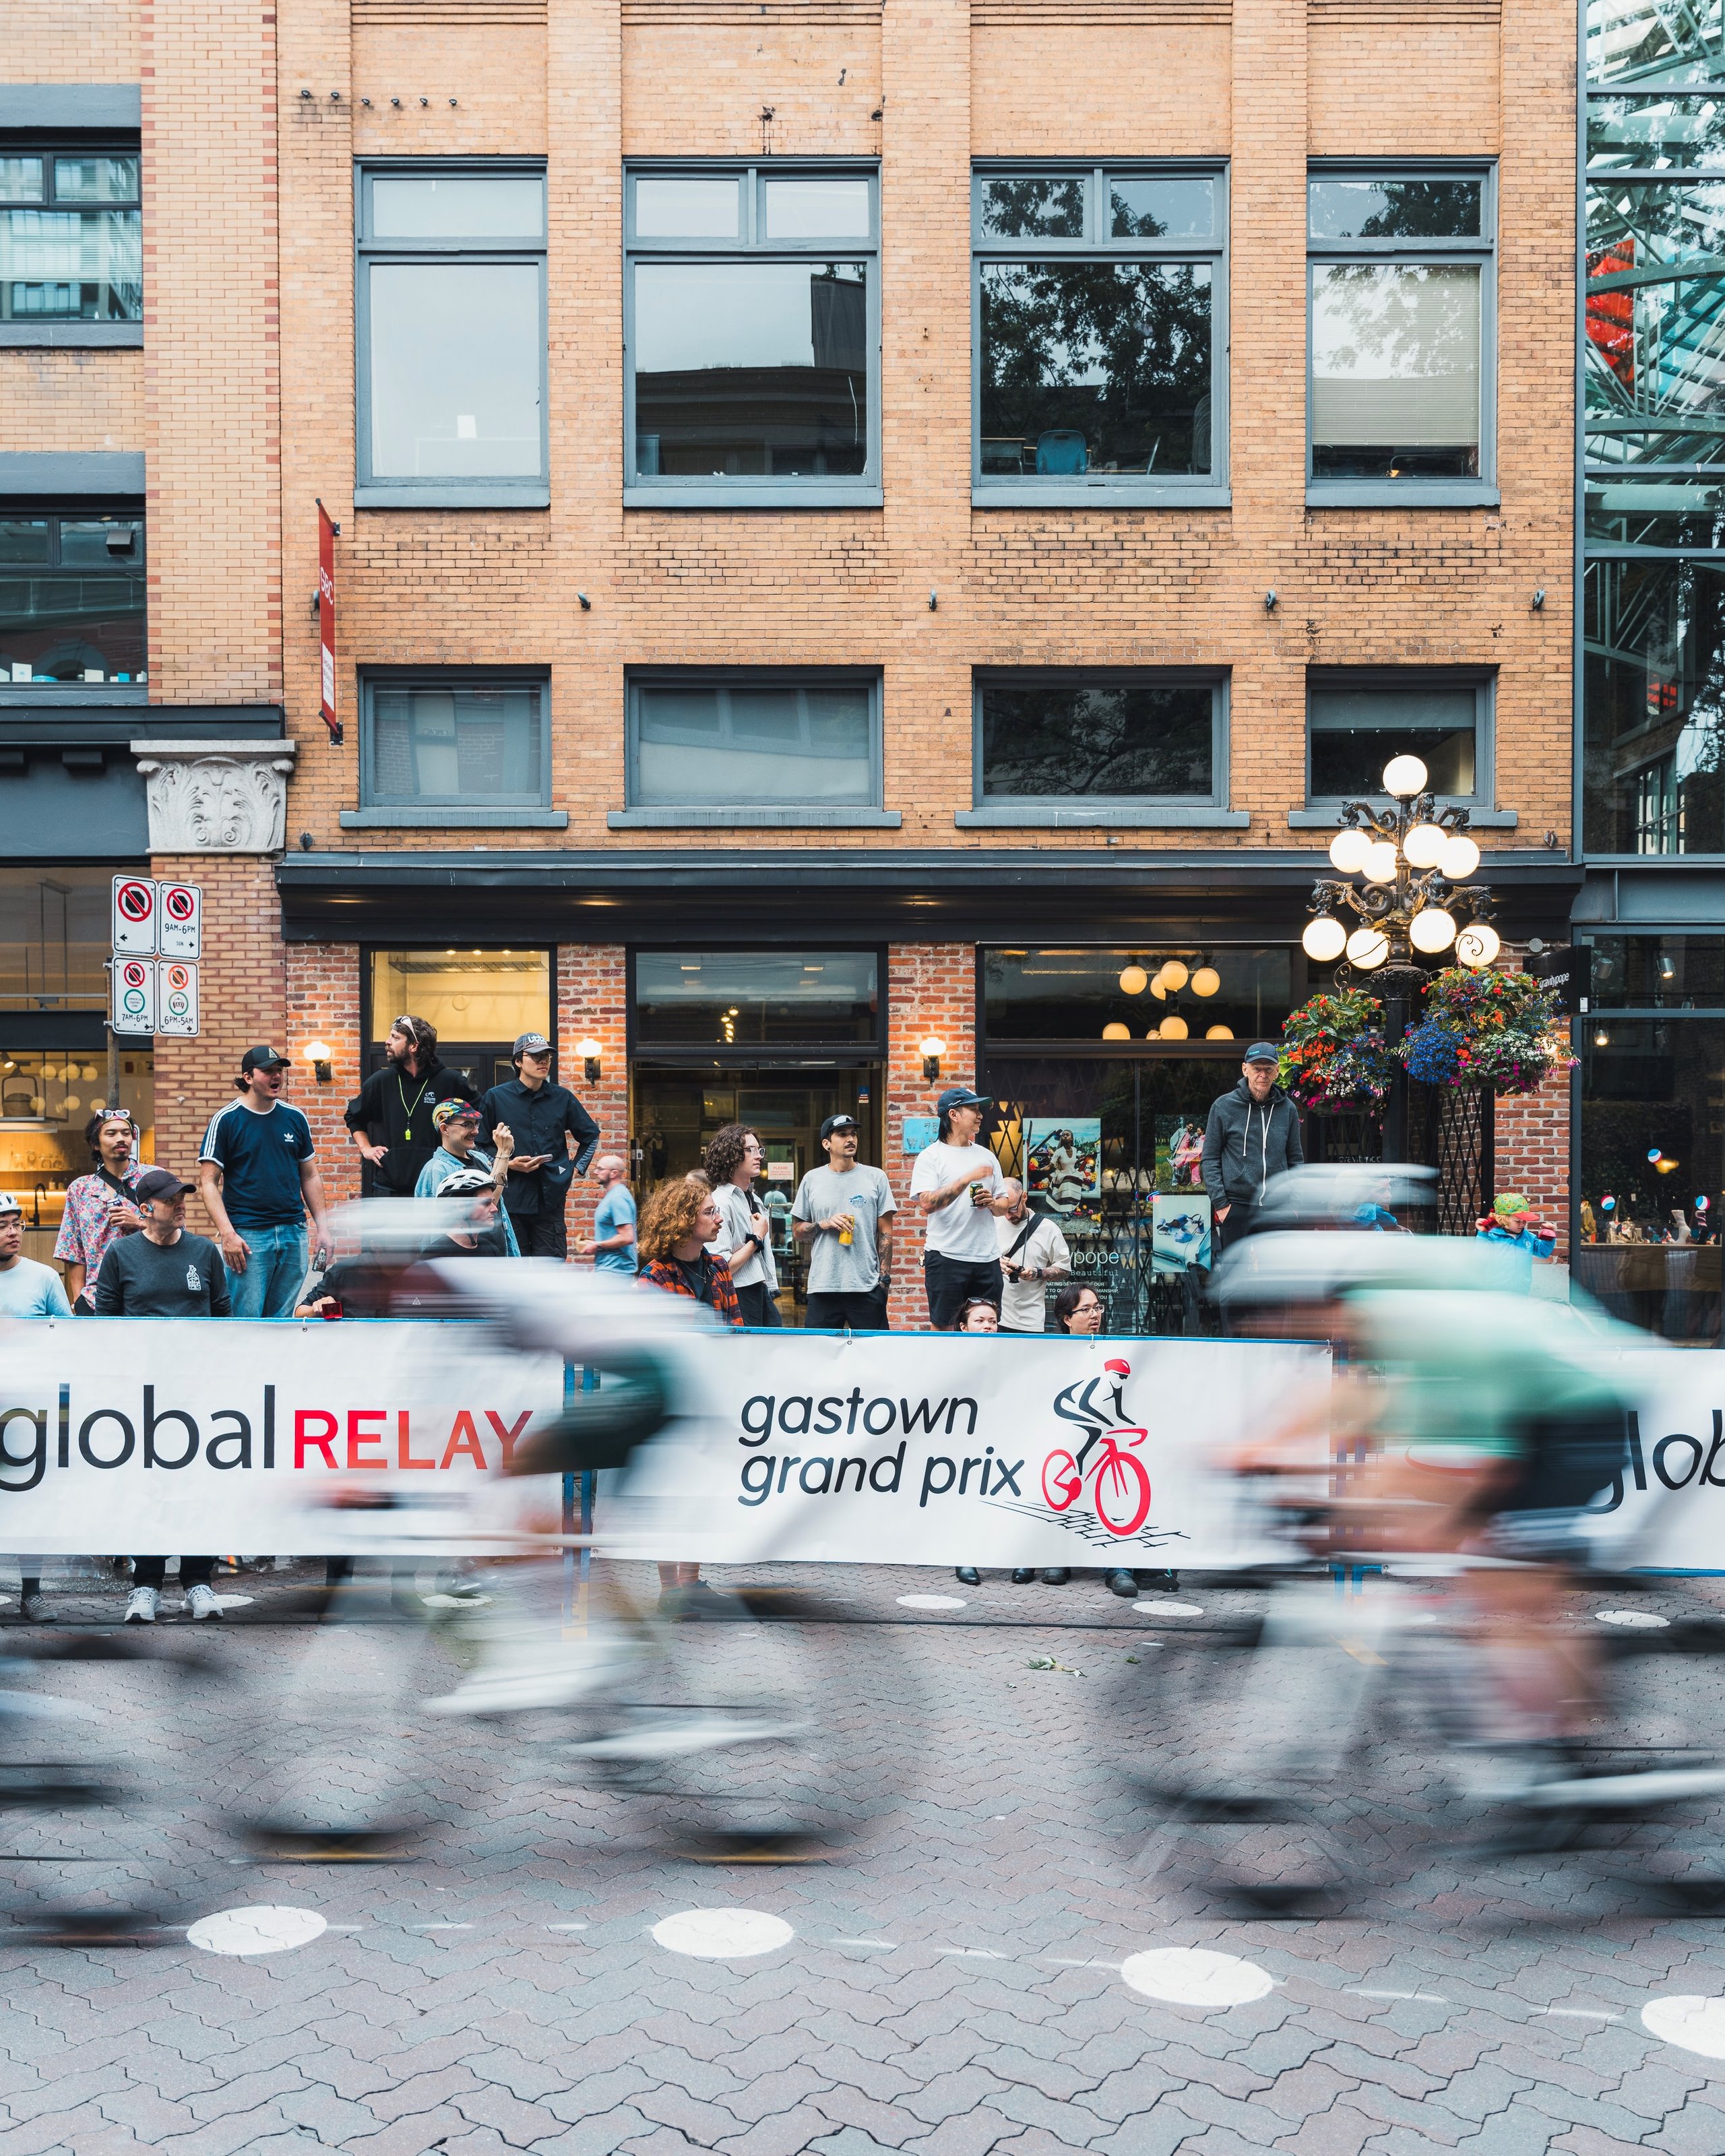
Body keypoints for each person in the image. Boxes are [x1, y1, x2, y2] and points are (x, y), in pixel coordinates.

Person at [89, 1168, 228, 1625]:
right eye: (170, 1200)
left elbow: (223, 1316)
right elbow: (107, 1322)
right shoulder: (121, 1254)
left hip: (198, 1390)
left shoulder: (204, 1252)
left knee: (200, 1484)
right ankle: (146, 1585)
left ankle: (198, 1581)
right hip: (143, 1394)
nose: (180, 1204)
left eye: (182, 1197)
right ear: (146, 1209)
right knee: (148, 1486)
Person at [637, 1175, 740, 1614]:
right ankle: (669, 1591)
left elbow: (737, 1331)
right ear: (684, 1220)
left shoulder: (717, 1268)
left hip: (710, 1396)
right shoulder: (653, 1276)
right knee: (669, 1496)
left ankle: (691, 1583)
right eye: (709, 1212)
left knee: (699, 1493)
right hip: (666, 1403)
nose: (718, 1218)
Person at [198, 1045, 332, 1319]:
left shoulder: (295, 1117)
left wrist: (324, 1229)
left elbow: (310, 1175)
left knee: (281, 1321)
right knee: (245, 1320)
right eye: (268, 1071)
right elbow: (208, 1183)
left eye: (279, 1070)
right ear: (248, 1077)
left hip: (294, 1232)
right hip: (248, 1236)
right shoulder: (226, 1120)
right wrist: (227, 1234)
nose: (277, 1076)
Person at [478, 1032, 600, 1260]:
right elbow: (479, 1144)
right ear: (518, 1061)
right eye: (536, 1056)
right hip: (511, 1198)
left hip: (550, 1200)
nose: (543, 1061)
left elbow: (591, 1135)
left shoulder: (562, 1098)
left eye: (547, 1056)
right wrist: (509, 1163)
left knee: (551, 1268)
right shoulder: (496, 1098)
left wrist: (574, 1169)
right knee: (516, 1268)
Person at [344, 1014, 478, 1198]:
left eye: (395, 1037)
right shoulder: (380, 1082)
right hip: (390, 1188)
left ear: (414, 1046)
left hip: (439, 1184)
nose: (387, 1042)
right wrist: (366, 1149)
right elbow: (354, 1117)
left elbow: (478, 1117)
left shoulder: (450, 1081)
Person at [910, 1086, 1010, 1329]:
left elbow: (1004, 1205)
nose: (980, 1115)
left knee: (987, 1326)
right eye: (973, 1109)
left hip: (987, 1258)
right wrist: (965, 1179)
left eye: (979, 1110)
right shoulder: (930, 1157)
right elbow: (928, 1203)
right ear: (954, 1115)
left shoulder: (987, 1156)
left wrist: (993, 1203)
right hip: (946, 1257)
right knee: (944, 1327)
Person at [792, 1112, 896, 1331]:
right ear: (826, 1143)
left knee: (875, 1354)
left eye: (853, 1134)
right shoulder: (812, 1179)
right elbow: (798, 1232)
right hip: (823, 1286)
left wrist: (883, 1282)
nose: (851, 1139)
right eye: (842, 1134)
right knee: (818, 1353)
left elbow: (886, 1232)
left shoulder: (875, 1177)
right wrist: (824, 1224)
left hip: (866, 1286)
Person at [1201, 1042, 1305, 1253]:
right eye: (1257, 1068)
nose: (1262, 1075)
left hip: (1278, 1208)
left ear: (1277, 1072)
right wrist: (1221, 1205)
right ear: (1245, 1069)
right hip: (1236, 1206)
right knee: (1234, 1277)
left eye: (1268, 1069)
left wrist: (1294, 1203)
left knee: (1275, 1275)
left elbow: (1295, 1159)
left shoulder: (1288, 1109)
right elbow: (1209, 1158)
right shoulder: (1223, 1107)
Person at [55, 1106, 146, 1311]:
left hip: (147, 1293)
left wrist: (139, 1223)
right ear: (95, 1143)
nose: (121, 1138)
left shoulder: (154, 1178)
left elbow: (178, 1230)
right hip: (97, 1297)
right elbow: (74, 1251)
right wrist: (79, 1299)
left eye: (126, 1133)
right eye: (111, 1134)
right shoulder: (80, 1189)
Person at [414, 1098, 520, 1254]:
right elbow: (481, 1205)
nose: (476, 1131)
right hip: (462, 1259)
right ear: (444, 1128)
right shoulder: (437, 1169)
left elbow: (491, 1202)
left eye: (476, 1124)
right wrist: (503, 1154)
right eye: (467, 1125)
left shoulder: (480, 1158)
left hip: (495, 1252)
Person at [703, 1125, 781, 1327]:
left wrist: (771, 1287)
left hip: (759, 1289)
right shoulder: (721, 1202)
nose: (758, 1157)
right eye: (750, 1150)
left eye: (759, 1150)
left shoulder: (753, 1199)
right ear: (731, 1155)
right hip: (739, 1293)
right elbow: (721, 1267)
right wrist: (756, 1239)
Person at [995, 1178, 1071, 1333]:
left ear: (1024, 1197)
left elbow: (1064, 1269)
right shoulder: (990, 1222)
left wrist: (1037, 1272)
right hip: (993, 1318)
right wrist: (995, 1263)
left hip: (1029, 1320)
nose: (1009, 1216)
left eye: (1013, 1209)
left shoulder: (1048, 1229)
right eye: (1004, 1210)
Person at [0, 1190, 72, 1320]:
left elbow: (66, 1330)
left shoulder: (45, 1277)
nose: (13, 1232)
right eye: (2, 1226)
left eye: (16, 1224)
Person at [577, 1153, 637, 1275]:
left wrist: (597, 1245)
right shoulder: (613, 1195)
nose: (596, 1172)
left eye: (600, 1169)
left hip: (616, 1270)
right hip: (608, 1268)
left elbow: (627, 1237)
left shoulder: (618, 1197)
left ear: (614, 1173)